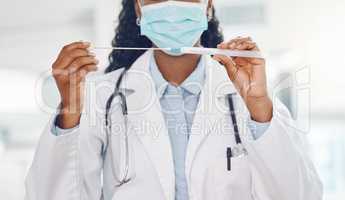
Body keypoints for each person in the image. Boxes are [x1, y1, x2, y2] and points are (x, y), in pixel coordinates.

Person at [25, 0, 323, 200]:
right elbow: (51, 194)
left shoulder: (246, 95)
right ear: (138, 11)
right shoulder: (101, 96)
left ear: (207, 6)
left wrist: (259, 107)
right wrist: (70, 111)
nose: (170, 5)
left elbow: (301, 193)